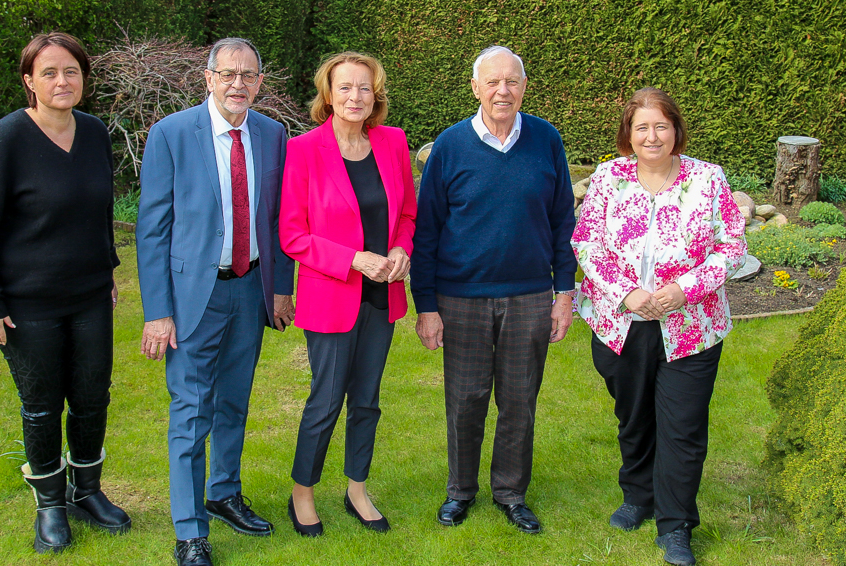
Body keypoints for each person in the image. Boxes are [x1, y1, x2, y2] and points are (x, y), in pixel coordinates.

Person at [0, 32, 130, 554]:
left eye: (71, 71)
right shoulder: (6, 139)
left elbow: (101, 211)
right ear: (29, 81)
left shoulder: (95, 132)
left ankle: (87, 491)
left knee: (91, 398)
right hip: (26, 305)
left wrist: (108, 269)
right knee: (41, 406)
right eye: (49, 72)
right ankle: (51, 505)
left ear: (84, 78)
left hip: (89, 296)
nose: (62, 81)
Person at [136, 37, 296, 566]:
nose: (237, 84)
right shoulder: (171, 134)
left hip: (249, 288)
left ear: (260, 82)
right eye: (227, 74)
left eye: (248, 75)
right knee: (190, 410)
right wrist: (158, 312)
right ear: (208, 78)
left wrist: (280, 288)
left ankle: (224, 493)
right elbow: (152, 231)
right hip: (191, 299)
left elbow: (280, 218)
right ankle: (189, 532)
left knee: (234, 400)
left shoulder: (272, 134)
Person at [571, 87, 746, 566]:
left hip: (691, 326)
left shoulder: (707, 179)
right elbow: (586, 242)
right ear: (628, 134)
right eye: (642, 127)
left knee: (682, 428)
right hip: (620, 324)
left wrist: (685, 289)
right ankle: (638, 495)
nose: (652, 136)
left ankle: (676, 526)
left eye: (661, 126)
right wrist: (626, 292)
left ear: (676, 131)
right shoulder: (609, 178)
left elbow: (732, 247)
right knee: (633, 417)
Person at [409, 46, 577, 534]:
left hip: (529, 295)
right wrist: (427, 306)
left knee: (520, 400)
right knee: (465, 399)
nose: (503, 91)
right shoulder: (450, 145)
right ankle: (460, 490)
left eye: (512, 81)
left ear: (524, 86)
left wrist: (564, 294)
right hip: (461, 296)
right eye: (493, 82)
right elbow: (427, 232)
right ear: (475, 88)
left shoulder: (546, 139)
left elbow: (563, 221)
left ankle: (510, 492)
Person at [280, 52, 417, 537]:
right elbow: (293, 235)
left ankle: (357, 488)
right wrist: (354, 259)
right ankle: (302, 492)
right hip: (330, 298)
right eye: (345, 87)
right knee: (325, 402)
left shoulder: (393, 142)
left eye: (364, 88)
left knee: (367, 401)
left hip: (382, 297)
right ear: (328, 94)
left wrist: (400, 248)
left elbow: (407, 214)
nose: (355, 97)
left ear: (375, 95)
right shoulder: (304, 150)